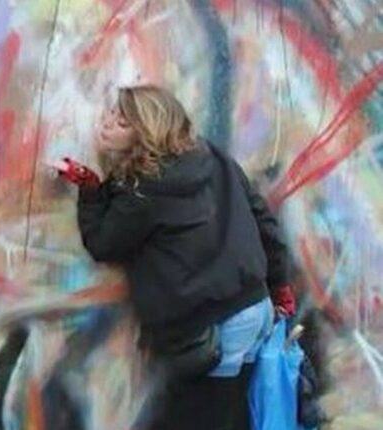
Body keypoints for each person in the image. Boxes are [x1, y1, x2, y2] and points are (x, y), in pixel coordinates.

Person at [71, 84, 296, 430]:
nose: (108, 123)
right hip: (253, 309)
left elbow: (104, 244)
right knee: (230, 414)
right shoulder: (213, 156)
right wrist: (280, 286)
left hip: (211, 329)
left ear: (146, 132)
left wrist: (90, 190)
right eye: (113, 113)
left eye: (123, 122)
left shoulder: (144, 188)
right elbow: (264, 221)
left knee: (204, 418)